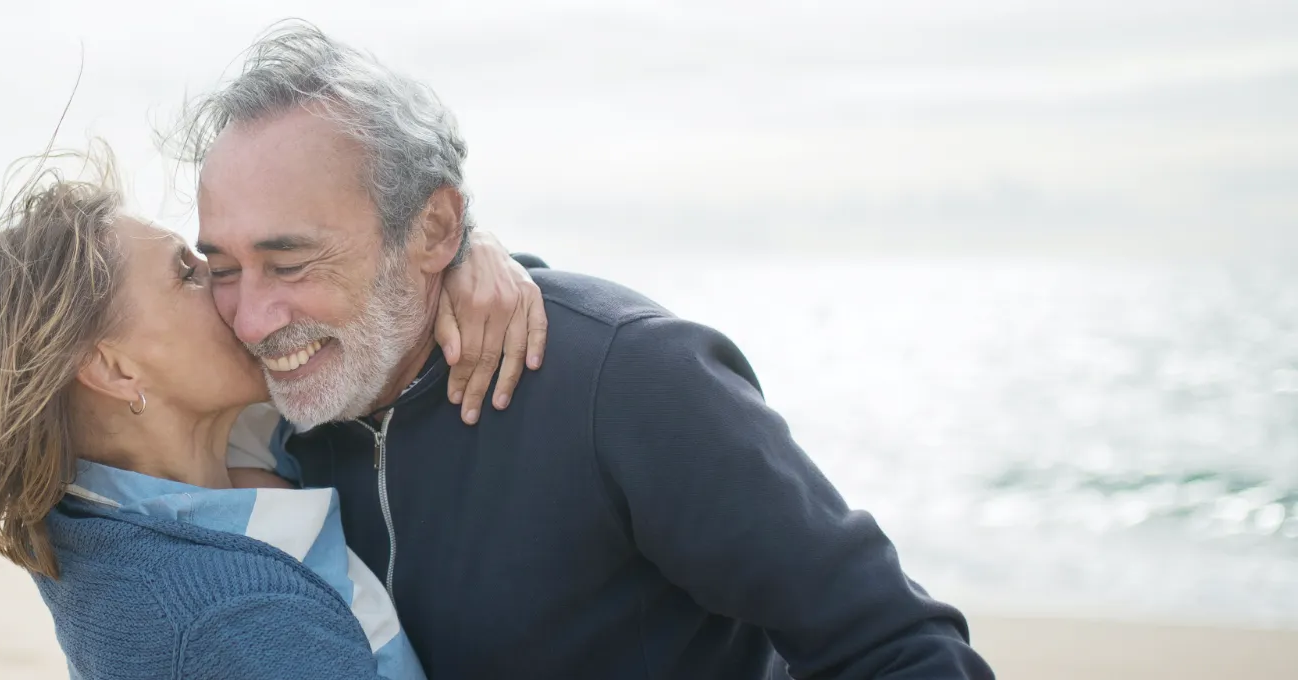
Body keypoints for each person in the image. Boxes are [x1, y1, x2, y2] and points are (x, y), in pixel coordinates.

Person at [166, 22, 996, 679]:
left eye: (291, 261)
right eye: (223, 268)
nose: (249, 317)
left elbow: (899, 649)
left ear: (433, 228)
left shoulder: (629, 380)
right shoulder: (268, 412)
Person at [0, 144, 543, 679]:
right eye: (188, 272)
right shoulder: (233, 622)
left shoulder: (115, 497)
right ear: (116, 369)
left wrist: (466, 254)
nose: (229, 284)